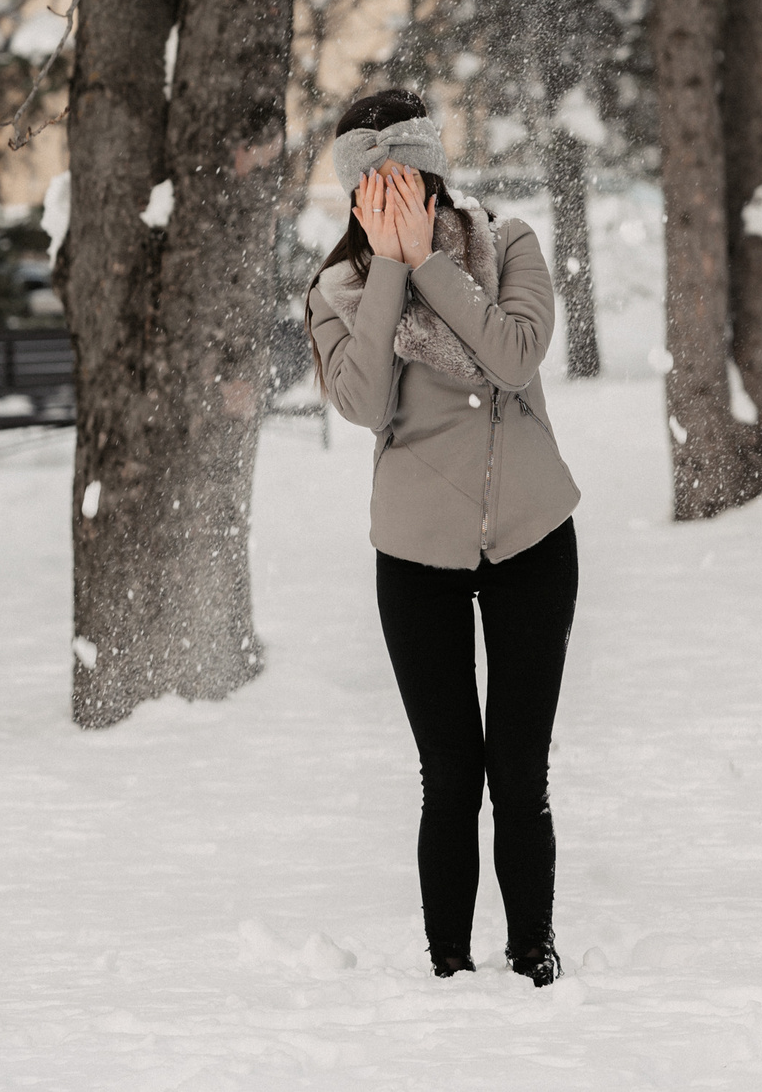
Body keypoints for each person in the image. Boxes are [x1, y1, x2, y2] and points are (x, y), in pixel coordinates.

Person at [307, 89, 584, 985]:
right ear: (354, 197)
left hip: (531, 539)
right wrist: (389, 270)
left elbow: (511, 355)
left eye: (409, 184)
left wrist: (428, 261)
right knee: (451, 772)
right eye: (374, 189)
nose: (394, 199)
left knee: (519, 770)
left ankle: (533, 951)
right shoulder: (339, 290)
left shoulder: (509, 245)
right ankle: (449, 964)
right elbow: (364, 402)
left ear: (435, 177)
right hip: (417, 553)